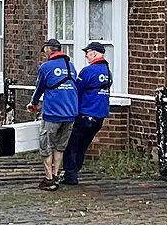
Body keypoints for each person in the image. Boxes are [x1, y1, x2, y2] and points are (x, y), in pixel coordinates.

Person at [25, 37, 78, 190]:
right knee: (60, 147)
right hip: (71, 113)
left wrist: (33, 103)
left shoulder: (46, 67)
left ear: (48, 50)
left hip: (53, 112)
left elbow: (39, 88)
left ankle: (49, 180)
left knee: (46, 145)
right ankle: (56, 174)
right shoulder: (71, 66)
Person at [65, 41, 112, 185]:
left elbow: (77, 91)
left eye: (88, 53)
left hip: (85, 113)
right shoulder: (107, 72)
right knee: (83, 146)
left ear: (95, 53)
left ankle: (70, 175)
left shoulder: (87, 71)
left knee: (72, 145)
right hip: (100, 115)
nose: (86, 56)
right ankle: (75, 171)